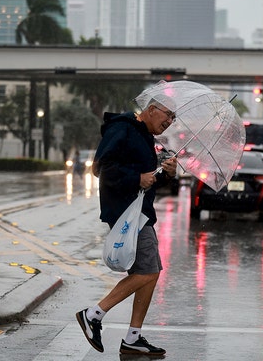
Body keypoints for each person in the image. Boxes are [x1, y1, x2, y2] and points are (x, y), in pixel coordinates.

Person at [76, 92, 178, 356]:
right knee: (146, 273)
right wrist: (136, 178)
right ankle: (93, 315)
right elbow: (101, 169)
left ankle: (133, 337)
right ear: (153, 109)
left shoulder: (146, 138)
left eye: (174, 118)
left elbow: (148, 180)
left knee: (150, 272)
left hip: (140, 212)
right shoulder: (123, 128)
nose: (170, 121)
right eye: (168, 115)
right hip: (126, 213)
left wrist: (165, 174)